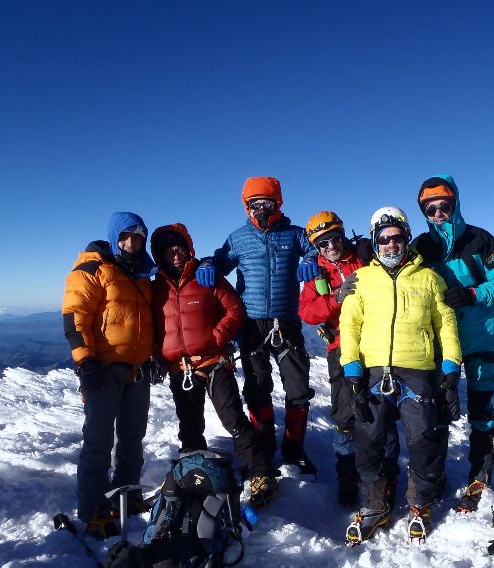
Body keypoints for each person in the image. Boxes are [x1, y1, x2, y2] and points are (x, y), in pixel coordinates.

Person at [341, 207, 462, 543]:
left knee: (424, 441)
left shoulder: (430, 278)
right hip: (373, 371)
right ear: (375, 242)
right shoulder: (362, 280)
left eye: (396, 237)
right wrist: (351, 367)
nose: (390, 244)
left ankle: (420, 504)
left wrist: (451, 363)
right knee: (368, 444)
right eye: (383, 239)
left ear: (406, 237)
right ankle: (374, 507)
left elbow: (446, 324)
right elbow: (349, 325)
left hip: (418, 371)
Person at [195, 177, 319, 501]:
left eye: (267, 203)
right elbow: (219, 260)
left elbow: (314, 249)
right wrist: (207, 264)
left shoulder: (294, 235)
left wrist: (311, 260)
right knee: (257, 387)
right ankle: (264, 447)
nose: (261, 209)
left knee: (298, 388)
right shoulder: (238, 238)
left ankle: (294, 448)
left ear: (279, 203)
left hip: (287, 322)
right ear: (246, 206)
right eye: (255, 204)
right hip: (251, 325)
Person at [150, 223, 276, 507]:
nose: (176, 255)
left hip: (213, 361)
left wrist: (216, 337)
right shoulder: (155, 288)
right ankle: (193, 470)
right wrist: (155, 354)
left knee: (233, 418)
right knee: (190, 425)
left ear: (189, 248)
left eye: (180, 248)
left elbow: (234, 309)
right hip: (180, 368)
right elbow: (150, 326)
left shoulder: (206, 277)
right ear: (159, 255)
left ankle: (259, 471)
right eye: (168, 251)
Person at [413, 174, 494, 512]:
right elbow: (395, 272)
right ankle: (436, 474)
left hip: (481, 336)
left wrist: (473, 294)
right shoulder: (421, 247)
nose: (439, 214)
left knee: (481, 407)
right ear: (424, 212)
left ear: (456, 204)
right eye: (431, 209)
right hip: (441, 342)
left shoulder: (479, 239)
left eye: (445, 206)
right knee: (439, 408)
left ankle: (480, 473)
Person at [62, 211, 156, 538]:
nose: (132, 242)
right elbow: (75, 319)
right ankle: (94, 509)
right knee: (98, 442)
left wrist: (152, 356)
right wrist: (85, 363)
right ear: (115, 237)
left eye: (139, 236)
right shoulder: (91, 269)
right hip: (102, 370)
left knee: (132, 438)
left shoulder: (143, 274)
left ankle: (126, 494)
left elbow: (147, 323)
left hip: (137, 370)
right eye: (126, 236)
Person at [298, 211, 400, 507]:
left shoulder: (363, 257)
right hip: (340, 348)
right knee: (344, 416)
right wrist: (335, 298)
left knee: (383, 415)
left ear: (343, 236)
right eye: (322, 243)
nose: (330, 247)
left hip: (376, 344)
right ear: (315, 247)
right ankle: (348, 477)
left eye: (334, 239)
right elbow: (307, 312)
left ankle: (387, 478)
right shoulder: (315, 272)